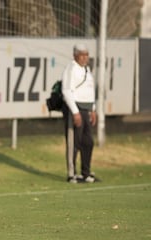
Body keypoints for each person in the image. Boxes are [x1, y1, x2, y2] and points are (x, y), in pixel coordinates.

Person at [61, 43, 99, 183]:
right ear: (75, 56)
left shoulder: (87, 70)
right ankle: (72, 174)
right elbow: (66, 91)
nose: (84, 58)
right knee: (74, 142)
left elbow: (90, 91)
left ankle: (86, 172)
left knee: (88, 142)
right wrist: (75, 112)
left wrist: (93, 109)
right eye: (81, 55)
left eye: (86, 55)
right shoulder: (71, 69)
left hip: (87, 110)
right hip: (75, 109)